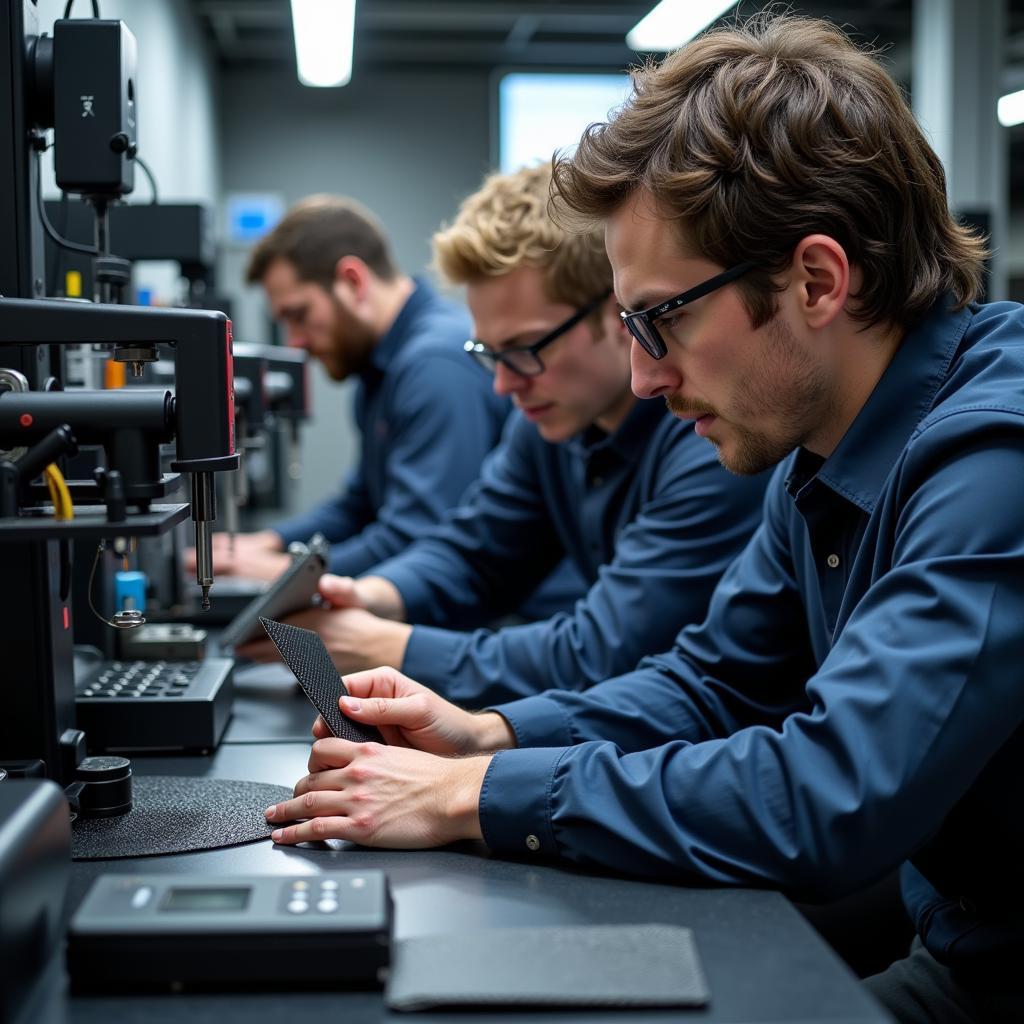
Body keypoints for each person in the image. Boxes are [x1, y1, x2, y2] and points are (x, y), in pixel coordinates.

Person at [263, 15, 1024, 1022]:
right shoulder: (820, 446)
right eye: (629, 326)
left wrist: (468, 796)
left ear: (816, 281)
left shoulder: (992, 457)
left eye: (661, 319)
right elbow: (710, 681)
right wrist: (483, 733)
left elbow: (830, 793)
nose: (644, 376)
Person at [239, 165, 767, 706]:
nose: (502, 383)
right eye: (488, 352)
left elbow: (605, 651)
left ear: (617, 313)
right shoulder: (547, 423)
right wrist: (373, 595)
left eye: (525, 348)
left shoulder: (710, 438)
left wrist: (391, 646)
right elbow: (475, 552)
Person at [186, 195, 509, 580]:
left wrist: (278, 571)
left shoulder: (434, 366)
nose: (295, 342)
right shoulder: (380, 368)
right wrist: (267, 542)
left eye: (299, 314)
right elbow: (359, 506)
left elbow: (416, 539)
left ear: (352, 281)